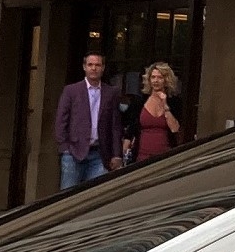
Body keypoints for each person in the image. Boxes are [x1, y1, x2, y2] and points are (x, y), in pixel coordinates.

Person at [54, 51, 122, 189]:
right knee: (68, 196)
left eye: (97, 65)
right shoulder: (71, 91)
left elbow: (115, 126)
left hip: (99, 154)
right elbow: (61, 121)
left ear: (103, 68)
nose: (94, 68)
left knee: (95, 196)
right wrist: (64, 148)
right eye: (90, 64)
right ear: (84, 67)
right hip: (73, 152)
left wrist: (116, 154)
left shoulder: (111, 93)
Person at [130, 61, 185, 163]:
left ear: (166, 80)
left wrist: (165, 106)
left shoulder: (174, 102)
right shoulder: (140, 102)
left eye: (160, 77)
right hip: (141, 156)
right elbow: (132, 129)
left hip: (166, 157)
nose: (156, 81)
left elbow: (175, 128)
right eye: (153, 77)